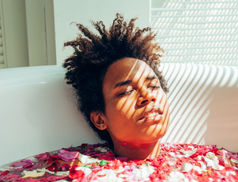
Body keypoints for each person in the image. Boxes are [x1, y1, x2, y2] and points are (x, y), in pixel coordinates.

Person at [63, 13, 170, 160]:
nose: (147, 96)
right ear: (100, 120)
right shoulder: (91, 178)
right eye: (127, 91)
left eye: (153, 86)